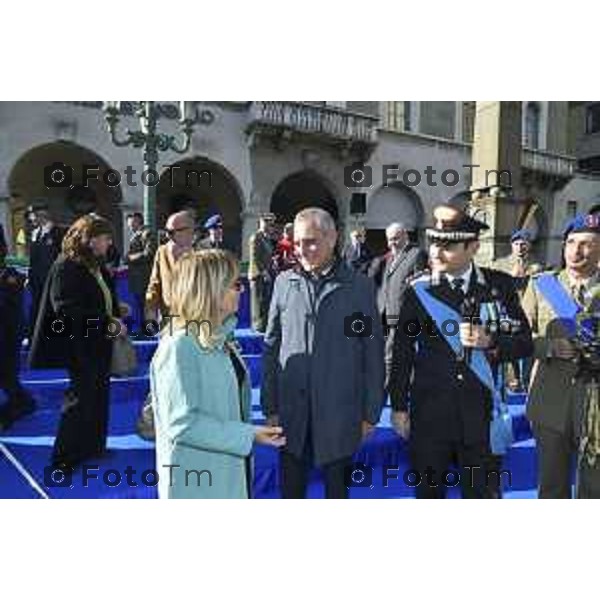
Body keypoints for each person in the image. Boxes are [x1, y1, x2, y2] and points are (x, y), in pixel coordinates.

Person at [387, 205, 533, 499]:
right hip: (430, 415)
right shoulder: (418, 289)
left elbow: (524, 341)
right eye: (435, 243)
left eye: (448, 245)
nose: (437, 252)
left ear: (473, 247)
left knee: (480, 496)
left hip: (480, 417)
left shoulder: (498, 286)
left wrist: (491, 341)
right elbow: (401, 353)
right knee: (429, 494)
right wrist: (399, 407)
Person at [261, 207, 385, 499]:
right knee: (291, 493)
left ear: (333, 239)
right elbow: (271, 348)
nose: (303, 250)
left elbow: (371, 352)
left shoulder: (359, 288)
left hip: (340, 416)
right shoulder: (283, 284)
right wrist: (270, 406)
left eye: (312, 241)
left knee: (337, 493)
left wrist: (370, 412)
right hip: (292, 416)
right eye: (299, 243)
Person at [150, 250, 285, 498]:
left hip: (226, 474)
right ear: (211, 289)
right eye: (235, 284)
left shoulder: (219, 337)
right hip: (198, 483)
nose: (242, 290)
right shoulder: (180, 345)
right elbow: (182, 423)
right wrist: (249, 434)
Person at [29, 214, 126, 470]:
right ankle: (63, 458)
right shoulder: (66, 266)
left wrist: (116, 310)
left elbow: (101, 297)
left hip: (98, 342)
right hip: (79, 344)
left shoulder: (95, 265)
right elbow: (67, 310)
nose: (109, 243)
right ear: (90, 239)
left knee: (98, 395)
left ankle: (92, 447)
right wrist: (108, 323)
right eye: (105, 238)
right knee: (80, 398)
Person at [523, 213, 600, 498]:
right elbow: (518, 338)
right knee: (552, 485)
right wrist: (549, 348)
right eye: (570, 242)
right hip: (550, 399)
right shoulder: (543, 285)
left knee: (594, 488)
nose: (575, 251)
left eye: (586, 244)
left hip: (595, 405)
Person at [368, 222, 428, 386]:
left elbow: (420, 286)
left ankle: (383, 390)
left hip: (402, 314)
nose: (391, 243)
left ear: (405, 236)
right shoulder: (390, 257)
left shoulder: (417, 254)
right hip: (384, 312)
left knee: (390, 354)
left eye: (395, 239)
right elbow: (385, 284)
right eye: (389, 240)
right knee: (385, 352)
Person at [494, 229, 543, 391]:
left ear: (529, 246)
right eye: (517, 244)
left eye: (524, 244)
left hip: (528, 314)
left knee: (526, 348)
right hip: (506, 313)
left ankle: (526, 380)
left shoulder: (537, 267)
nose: (520, 247)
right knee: (509, 347)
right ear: (511, 245)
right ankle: (511, 380)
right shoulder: (500, 264)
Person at [0, 241, 36, 430]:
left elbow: (9, 309)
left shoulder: (11, 277)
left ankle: (15, 410)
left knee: (8, 379)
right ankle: (23, 403)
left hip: (7, 336)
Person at [146, 211, 196, 325]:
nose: (168, 236)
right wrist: (151, 310)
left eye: (172, 232)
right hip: (168, 319)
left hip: (196, 319)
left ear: (190, 231)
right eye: (167, 232)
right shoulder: (162, 252)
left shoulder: (204, 254)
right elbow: (154, 284)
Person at [27, 205, 63, 333]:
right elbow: (33, 258)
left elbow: (61, 256)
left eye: (33, 215)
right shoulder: (35, 233)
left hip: (52, 279)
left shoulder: (58, 232)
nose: (31, 219)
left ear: (41, 215)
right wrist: (29, 275)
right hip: (37, 280)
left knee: (51, 309)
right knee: (37, 309)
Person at [125, 212, 157, 327]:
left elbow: (149, 253)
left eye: (131, 223)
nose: (129, 226)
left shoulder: (147, 233)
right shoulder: (135, 235)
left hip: (144, 277)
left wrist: (130, 257)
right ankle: (142, 328)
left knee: (145, 304)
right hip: (137, 277)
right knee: (139, 305)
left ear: (138, 221)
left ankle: (148, 329)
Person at [248, 213, 277, 333]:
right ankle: (257, 326)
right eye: (266, 223)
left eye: (270, 223)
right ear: (261, 223)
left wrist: (272, 264)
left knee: (265, 300)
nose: (269, 226)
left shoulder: (267, 238)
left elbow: (268, 257)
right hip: (257, 275)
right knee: (257, 301)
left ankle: (264, 325)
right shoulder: (255, 237)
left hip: (267, 274)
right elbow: (254, 258)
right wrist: (264, 272)